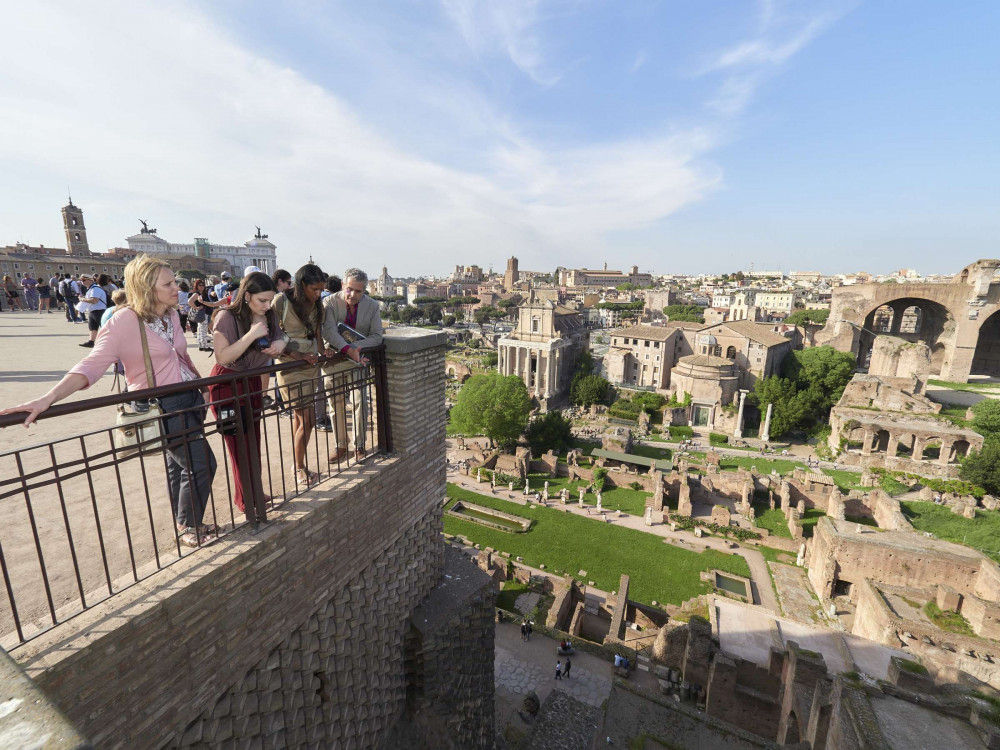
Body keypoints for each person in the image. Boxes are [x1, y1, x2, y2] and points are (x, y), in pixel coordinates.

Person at [0, 255, 218, 548]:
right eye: (167, 284)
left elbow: (180, 354)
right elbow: (92, 364)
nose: (175, 289)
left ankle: (186, 522)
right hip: (162, 405)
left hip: (188, 397)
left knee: (180, 465)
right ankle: (189, 525)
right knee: (201, 463)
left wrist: (198, 383)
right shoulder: (124, 320)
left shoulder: (170, 314)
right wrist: (47, 398)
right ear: (144, 287)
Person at [208, 272, 287, 515]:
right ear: (248, 295)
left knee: (253, 443)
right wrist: (251, 335)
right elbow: (224, 356)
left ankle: (253, 493)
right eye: (262, 300)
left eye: (270, 300)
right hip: (227, 383)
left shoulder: (269, 314)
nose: (267, 305)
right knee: (238, 446)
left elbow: (281, 334)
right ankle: (247, 501)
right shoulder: (226, 316)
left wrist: (282, 342)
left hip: (252, 382)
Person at [273, 263, 330, 486]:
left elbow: (316, 331)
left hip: (310, 366)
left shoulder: (316, 304)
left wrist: (322, 349)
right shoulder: (281, 301)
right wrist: (299, 356)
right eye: (314, 289)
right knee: (307, 420)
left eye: (321, 289)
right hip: (289, 367)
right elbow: (272, 336)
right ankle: (298, 467)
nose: (318, 294)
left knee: (300, 420)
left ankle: (299, 463)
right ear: (301, 285)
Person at [321, 268, 383, 463]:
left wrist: (354, 347)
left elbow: (377, 337)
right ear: (342, 285)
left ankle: (359, 445)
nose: (353, 295)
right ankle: (340, 445)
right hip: (334, 361)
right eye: (350, 289)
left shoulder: (372, 306)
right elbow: (329, 332)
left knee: (360, 402)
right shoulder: (329, 302)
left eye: (359, 291)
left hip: (357, 361)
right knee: (335, 404)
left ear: (365, 290)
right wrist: (348, 349)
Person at [77, 274, 108, 348]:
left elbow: (94, 300)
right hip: (93, 310)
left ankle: (109, 342)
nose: (82, 282)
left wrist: (82, 299)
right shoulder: (91, 289)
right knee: (92, 327)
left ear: (90, 280)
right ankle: (91, 341)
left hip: (99, 310)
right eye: (81, 280)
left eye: (84, 280)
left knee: (104, 328)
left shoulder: (95, 289)